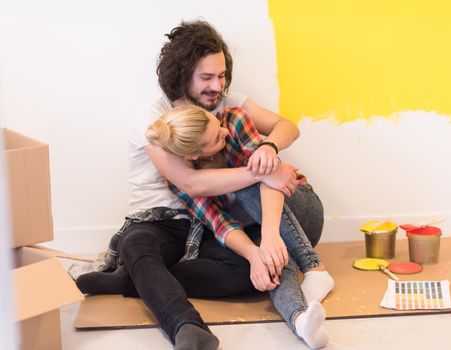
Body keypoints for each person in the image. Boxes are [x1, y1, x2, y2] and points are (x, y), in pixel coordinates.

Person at [75, 20, 328, 349]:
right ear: (182, 76)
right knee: (139, 248)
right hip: (164, 220)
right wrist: (264, 171)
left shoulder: (230, 111)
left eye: (221, 75)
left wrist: (269, 149)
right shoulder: (155, 120)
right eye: (206, 78)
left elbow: (285, 126)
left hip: (211, 225)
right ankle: (184, 326)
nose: (217, 86)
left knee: (255, 265)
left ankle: (135, 280)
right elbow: (191, 183)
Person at [144, 104, 334, 347]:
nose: (223, 132)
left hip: (298, 208)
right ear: (193, 155)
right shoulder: (180, 182)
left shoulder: (234, 120)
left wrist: (270, 235)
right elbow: (221, 225)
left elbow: (270, 178)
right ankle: (300, 321)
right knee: (271, 264)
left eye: (218, 125)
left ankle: (314, 266)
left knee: (247, 179)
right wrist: (256, 254)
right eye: (215, 137)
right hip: (262, 230)